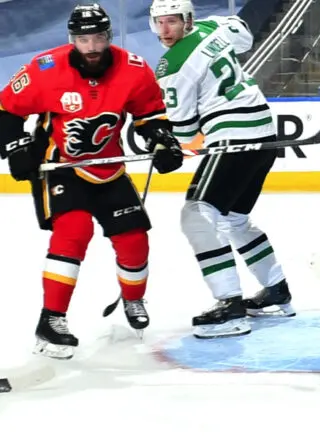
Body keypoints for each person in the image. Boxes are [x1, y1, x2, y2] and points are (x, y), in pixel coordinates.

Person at [0, 3, 183, 359]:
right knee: (74, 230)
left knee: (134, 241)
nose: (93, 46)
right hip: (62, 167)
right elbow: (5, 111)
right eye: (84, 39)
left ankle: (133, 300)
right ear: (73, 40)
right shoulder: (45, 69)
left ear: (108, 36)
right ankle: (51, 320)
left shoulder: (133, 69)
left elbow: (150, 114)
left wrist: (163, 141)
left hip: (109, 168)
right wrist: (15, 146)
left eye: (98, 37)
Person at [149, 0, 295, 339]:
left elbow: (185, 131)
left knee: (197, 216)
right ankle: (276, 290)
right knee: (232, 220)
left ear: (186, 20)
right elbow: (243, 35)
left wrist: (167, 143)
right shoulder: (214, 27)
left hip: (234, 138)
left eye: (172, 21)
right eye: (160, 23)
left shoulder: (172, 64)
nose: (166, 30)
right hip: (263, 131)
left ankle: (230, 307)